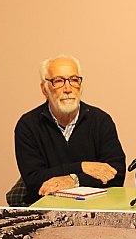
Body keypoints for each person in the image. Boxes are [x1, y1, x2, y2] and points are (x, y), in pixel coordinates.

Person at [13, 55, 126, 205]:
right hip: (47, 211)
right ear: (44, 89)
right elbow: (34, 181)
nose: (68, 89)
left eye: (73, 80)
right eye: (58, 81)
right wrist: (82, 167)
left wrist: (74, 180)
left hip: (94, 213)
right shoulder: (28, 125)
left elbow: (116, 175)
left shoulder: (101, 121)